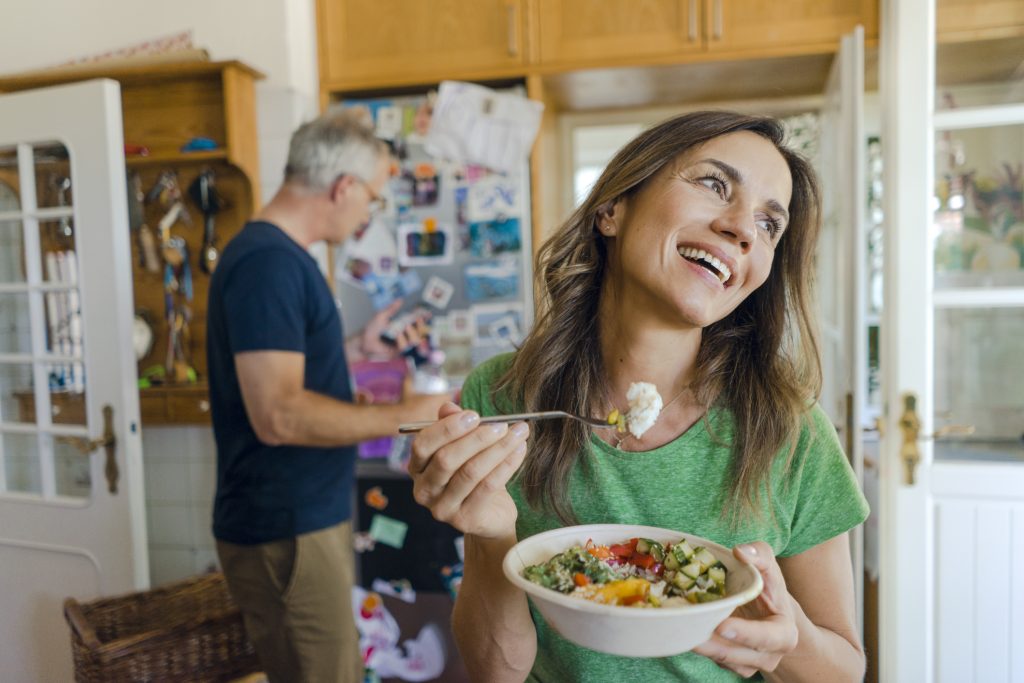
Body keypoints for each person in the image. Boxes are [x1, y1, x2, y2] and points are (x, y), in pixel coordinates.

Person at [408, 110, 869, 682]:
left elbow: (845, 671)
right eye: (714, 184)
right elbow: (495, 673)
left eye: (770, 225)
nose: (744, 229)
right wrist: (489, 535)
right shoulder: (504, 398)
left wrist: (787, 633)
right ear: (612, 209)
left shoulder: (790, 429)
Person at [206, 109, 450, 683]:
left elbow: (286, 373)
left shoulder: (278, 258)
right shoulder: (270, 263)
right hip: (284, 529)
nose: (370, 212)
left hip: (294, 521)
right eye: (373, 197)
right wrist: (405, 416)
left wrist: (356, 349)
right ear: (343, 188)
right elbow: (279, 415)